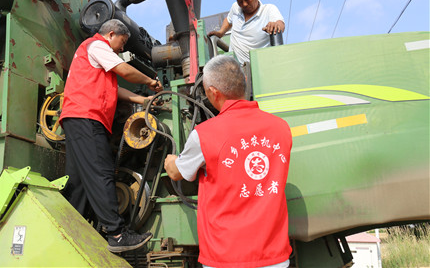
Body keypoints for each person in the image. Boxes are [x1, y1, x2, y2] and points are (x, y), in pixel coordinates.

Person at [164, 55, 292, 268]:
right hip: (274, 257)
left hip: (224, 258)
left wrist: (171, 160)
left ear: (214, 92)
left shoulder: (204, 134)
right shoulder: (281, 128)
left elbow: (177, 173)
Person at [59, 19, 162, 253]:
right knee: (101, 172)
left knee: (79, 181)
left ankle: (70, 233)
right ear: (111, 34)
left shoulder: (94, 56)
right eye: (122, 43)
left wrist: (143, 100)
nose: (122, 49)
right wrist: (150, 81)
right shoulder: (96, 46)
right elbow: (125, 70)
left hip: (77, 118)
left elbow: (114, 90)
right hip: (87, 117)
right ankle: (116, 234)